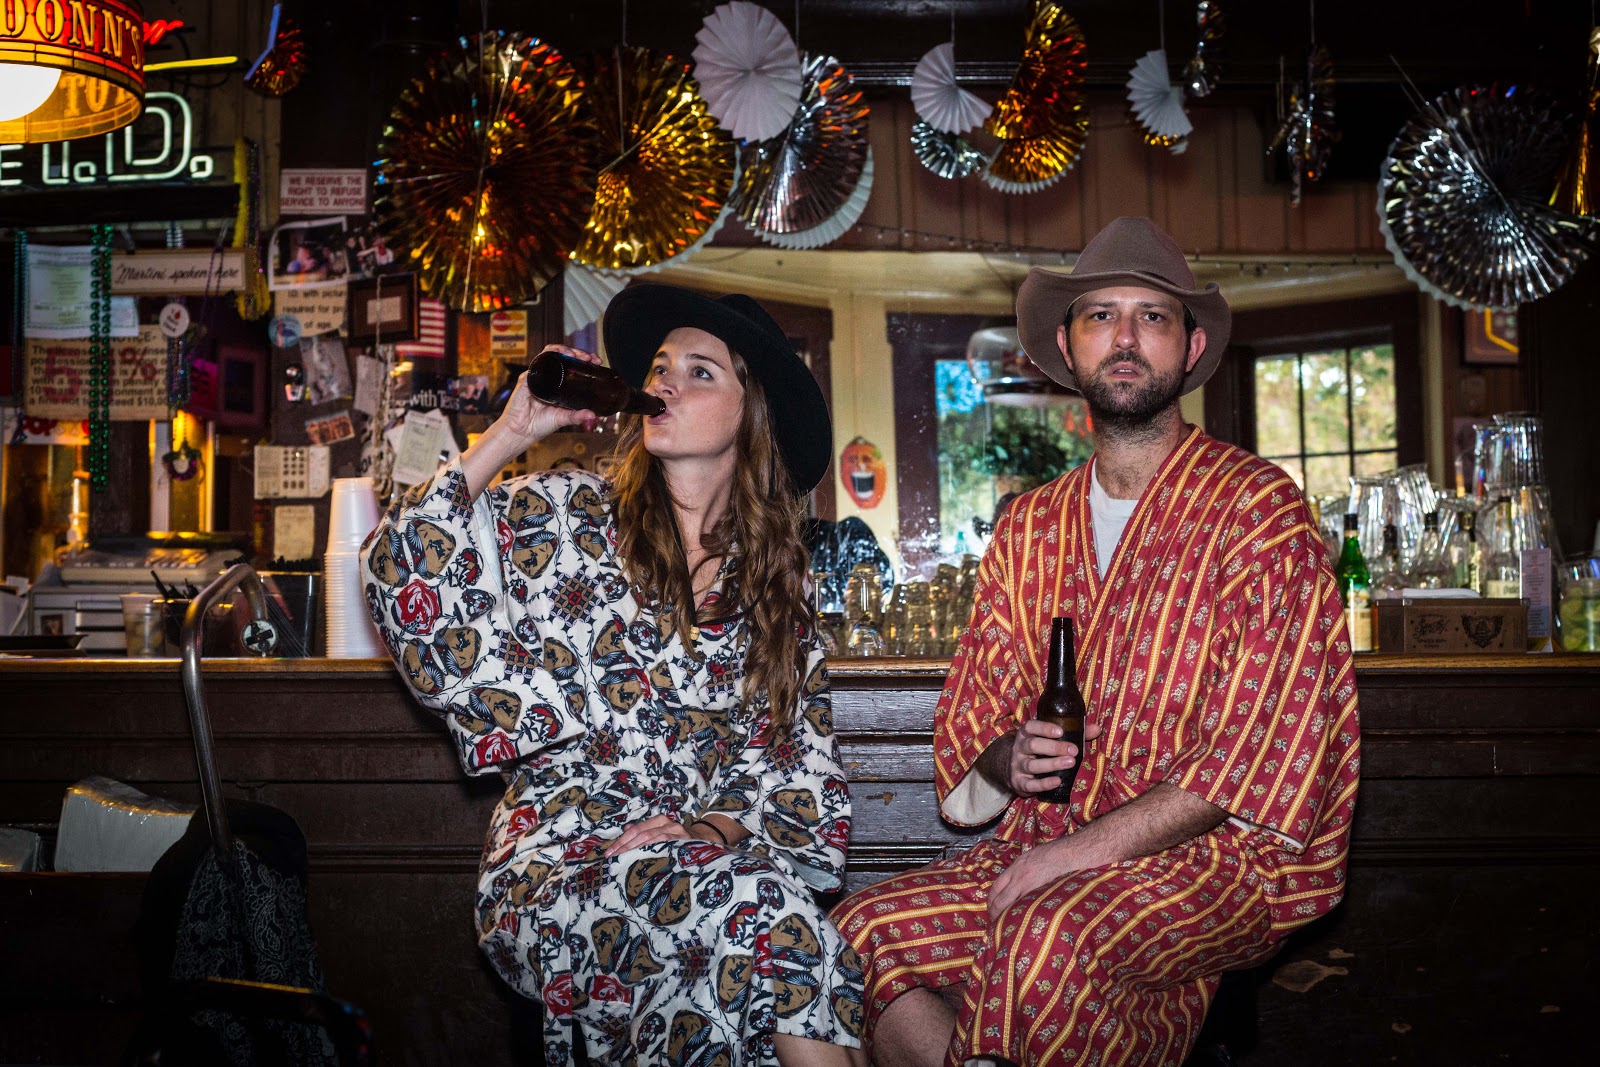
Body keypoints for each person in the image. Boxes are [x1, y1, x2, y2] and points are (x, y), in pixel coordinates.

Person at [831, 217, 1362, 1067]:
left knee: (1045, 934)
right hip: (1041, 843)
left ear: (1191, 347)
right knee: (853, 936)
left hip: (1223, 857)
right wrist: (1008, 757)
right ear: (1066, 347)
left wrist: (1071, 857)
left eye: (1152, 316)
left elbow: (1258, 749)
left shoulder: (1259, 511)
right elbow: (979, 716)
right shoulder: (1029, 526)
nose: (1124, 337)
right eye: (1100, 316)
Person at [360, 284, 866, 1067]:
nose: (665, 382)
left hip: (706, 872)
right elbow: (401, 568)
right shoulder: (565, 515)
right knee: (768, 921)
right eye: (660, 367)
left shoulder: (771, 593)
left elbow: (794, 772)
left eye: (700, 371)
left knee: (789, 953)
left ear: (750, 414)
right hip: (560, 866)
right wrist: (510, 431)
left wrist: (705, 830)